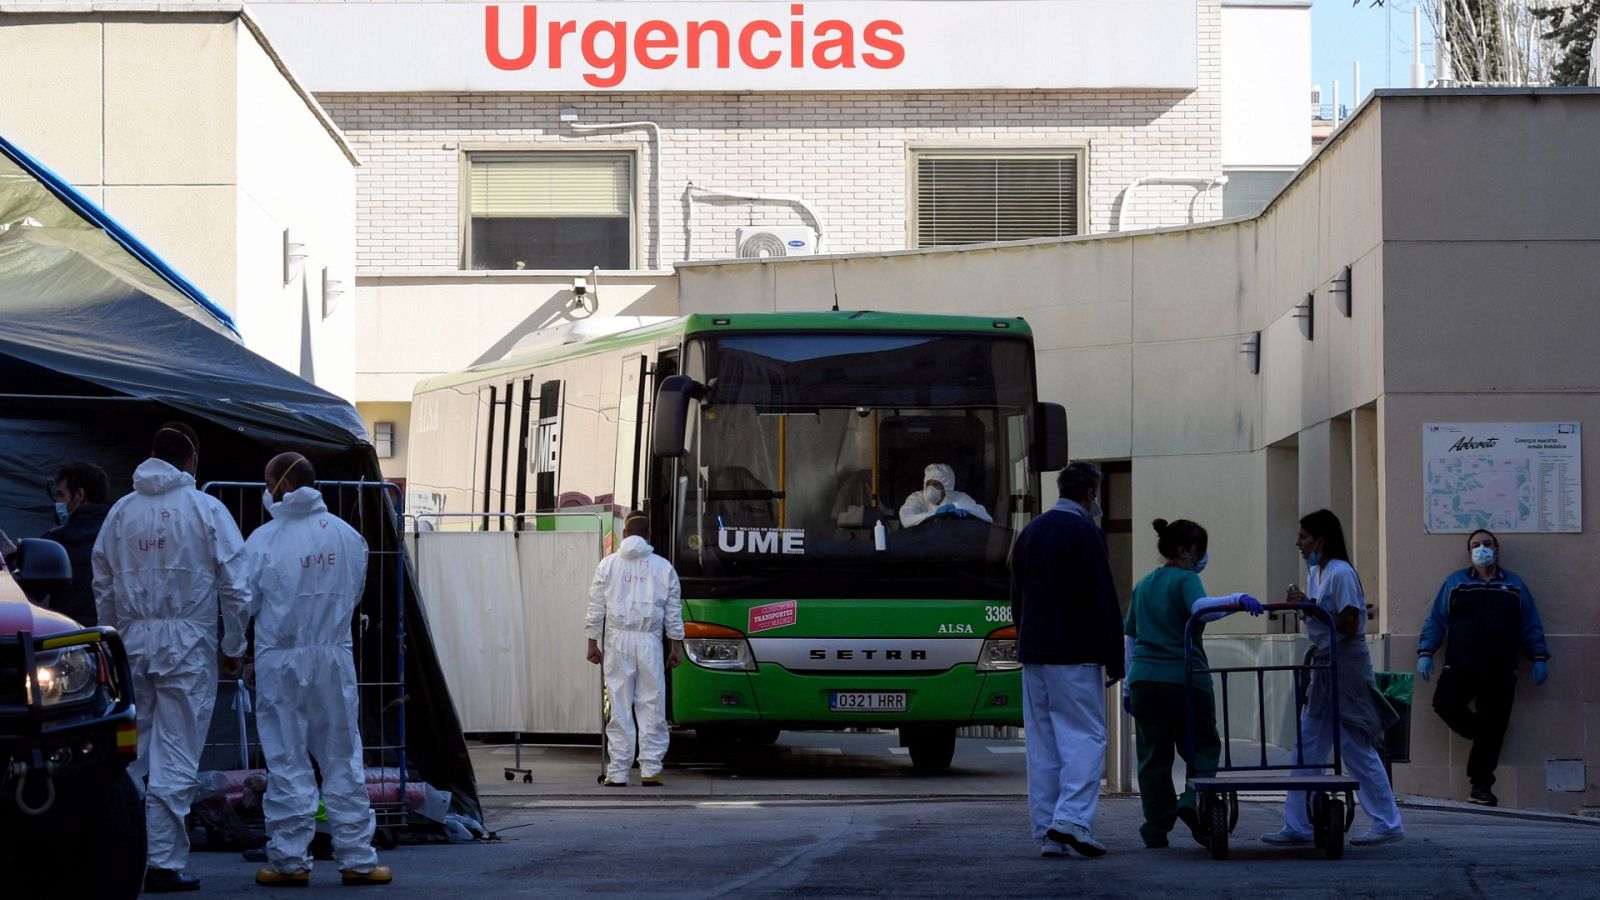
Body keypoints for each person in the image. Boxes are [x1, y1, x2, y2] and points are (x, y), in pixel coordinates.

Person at [92, 422, 250, 893]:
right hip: (187, 642)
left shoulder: (121, 513)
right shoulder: (205, 509)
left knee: (131, 751)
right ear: (192, 461)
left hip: (132, 640)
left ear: (152, 456)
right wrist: (234, 647)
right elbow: (236, 588)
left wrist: (112, 643)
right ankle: (162, 859)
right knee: (177, 749)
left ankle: (120, 849)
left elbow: (102, 582)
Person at [245, 452, 392, 887]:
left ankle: (290, 861)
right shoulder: (349, 538)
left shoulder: (263, 540)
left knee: (287, 758)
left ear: (281, 487)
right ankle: (358, 859)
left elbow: (243, 604)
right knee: (342, 757)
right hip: (333, 656)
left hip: (280, 660)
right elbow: (353, 595)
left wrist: (234, 648)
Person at [1262, 509, 1404, 848]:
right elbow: (1323, 614)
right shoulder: (1317, 572)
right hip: (1326, 665)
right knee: (1307, 744)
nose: (1298, 542)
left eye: (1304, 536)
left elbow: (1350, 622)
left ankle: (1388, 821)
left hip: (1345, 667)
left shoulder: (1340, 574)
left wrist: (1310, 607)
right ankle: (1296, 823)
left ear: (1321, 541)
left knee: (1355, 746)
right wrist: (1308, 605)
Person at [1124, 518, 1263, 849]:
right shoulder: (1185, 580)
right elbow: (1201, 609)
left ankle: (1156, 829)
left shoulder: (1143, 585)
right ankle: (1191, 802)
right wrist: (1237, 599)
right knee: (1203, 746)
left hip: (1145, 680)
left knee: (1153, 756)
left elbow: (1129, 636)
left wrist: (1129, 685)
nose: (1203, 558)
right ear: (1185, 551)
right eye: (1200, 551)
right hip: (1185, 679)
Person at [1009, 461, 1123, 858]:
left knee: (1043, 744)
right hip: (1075, 654)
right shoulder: (1085, 534)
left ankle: (1046, 829)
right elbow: (1101, 598)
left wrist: (1026, 641)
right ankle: (1071, 820)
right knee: (1085, 737)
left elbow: (1016, 598)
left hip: (1034, 654)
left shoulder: (1030, 532)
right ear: (1090, 493)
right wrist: (1115, 655)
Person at [1416, 528, 1550, 807]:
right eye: (1476, 545)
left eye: (1487, 544)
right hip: (1461, 666)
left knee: (1495, 721)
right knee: (1445, 704)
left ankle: (1481, 787)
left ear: (1497, 549)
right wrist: (1426, 651)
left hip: (1501, 669)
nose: (1482, 549)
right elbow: (1437, 618)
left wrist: (1538, 657)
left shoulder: (1514, 585)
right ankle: (1484, 733)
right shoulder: (1456, 583)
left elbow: (1530, 622)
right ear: (1469, 552)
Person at [586, 513, 685, 787]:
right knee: (652, 704)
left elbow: (595, 608)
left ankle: (617, 771)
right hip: (650, 641)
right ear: (649, 535)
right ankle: (650, 769)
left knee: (618, 704)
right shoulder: (664, 568)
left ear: (625, 534)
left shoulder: (607, 565)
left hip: (617, 640)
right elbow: (673, 613)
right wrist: (675, 646)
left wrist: (592, 643)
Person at [0, 461, 113, 625]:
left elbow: (24, 594)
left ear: (79, 495)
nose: (58, 503)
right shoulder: (122, 534)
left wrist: (13, 560)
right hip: (118, 638)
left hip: (70, 639)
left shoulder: (59, 539)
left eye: (61, 495)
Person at [898, 463, 993, 528]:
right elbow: (906, 519)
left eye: (935, 484)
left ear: (947, 486)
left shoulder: (959, 497)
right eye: (928, 484)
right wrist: (936, 514)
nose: (930, 488)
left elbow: (987, 518)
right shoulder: (917, 498)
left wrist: (965, 510)